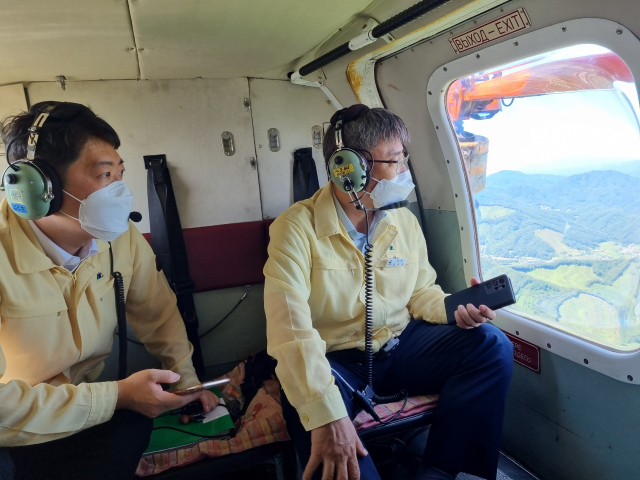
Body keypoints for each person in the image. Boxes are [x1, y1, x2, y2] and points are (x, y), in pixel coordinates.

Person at [264, 105, 513, 480]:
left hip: (398, 347)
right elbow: (291, 332)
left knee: (490, 345)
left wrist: (454, 309)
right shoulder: (295, 228)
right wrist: (328, 416)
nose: (403, 172)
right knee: (329, 441)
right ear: (349, 167)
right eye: (395, 161)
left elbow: (420, 292)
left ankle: (443, 471)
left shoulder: (403, 220)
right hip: (333, 363)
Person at [0, 102, 218, 480]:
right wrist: (118, 396)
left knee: (131, 429)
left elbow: (157, 310)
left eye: (121, 173)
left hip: (85, 412)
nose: (120, 191)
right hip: (15, 430)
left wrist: (185, 378)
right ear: (40, 189)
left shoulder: (121, 238)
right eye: (104, 175)